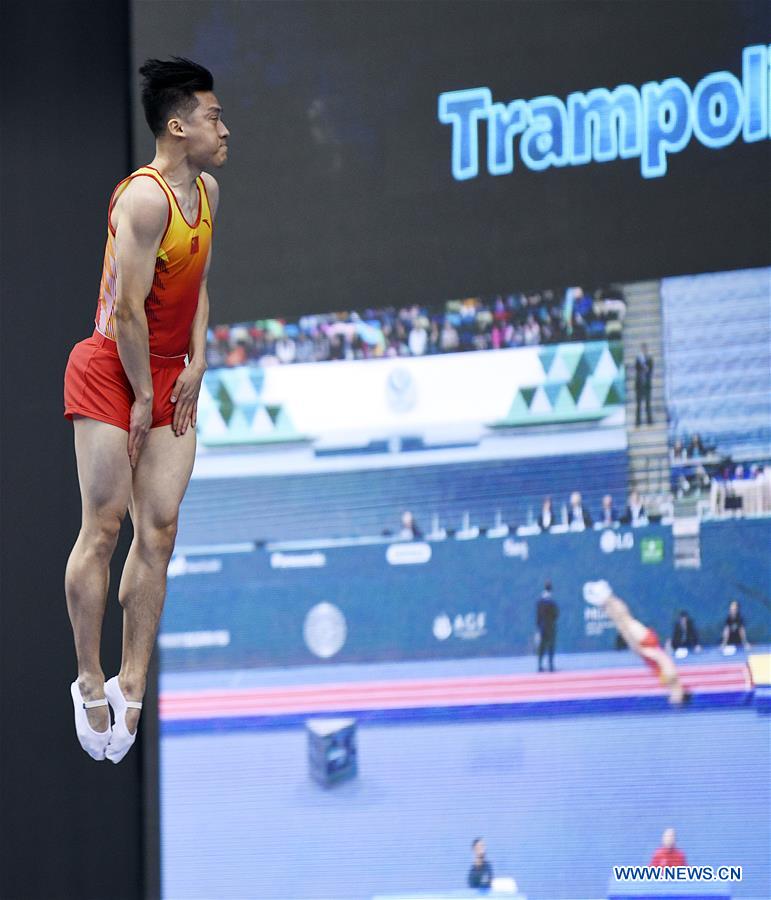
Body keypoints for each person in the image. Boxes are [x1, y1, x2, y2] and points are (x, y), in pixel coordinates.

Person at [63, 58, 229, 762]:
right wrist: (138, 397)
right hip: (111, 367)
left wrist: (198, 359)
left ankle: (134, 679)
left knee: (157, 532)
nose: (224, 128)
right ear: (177, 126)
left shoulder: (209, 192)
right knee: (103, 530)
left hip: (169, 376)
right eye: (213, 117)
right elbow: (127, 312)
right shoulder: (143, 199)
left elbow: (196, 292)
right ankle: (90, 678)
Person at [583, 580, 688, 704]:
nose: (671, 700)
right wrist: (643, 650)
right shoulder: (672, 679)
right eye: (675, 699)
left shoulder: (669, 683)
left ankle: (607, 599)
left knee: (622, 622)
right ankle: (607, 597)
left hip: (646, 644)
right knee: (625, 622)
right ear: (680, 695)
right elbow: (662, 658)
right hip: (647, 643)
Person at [536, 580, 559, 672]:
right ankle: (550, 665)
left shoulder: (540, 601)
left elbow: (538, 615)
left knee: (542, 646)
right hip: (550, 626)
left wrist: (538, 626)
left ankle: (540, 665)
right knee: (550, 645)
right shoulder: (551, 602)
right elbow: (556, 614)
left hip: (542, 626)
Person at [635, 343, 654, 426]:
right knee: (638, 404)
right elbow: (636, 368)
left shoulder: (649, 358)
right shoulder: (638, 359)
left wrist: (646, 369)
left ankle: (649, 420)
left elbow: (651, 369)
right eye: (643, 348)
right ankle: (638, 421)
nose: (644, 350)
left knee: (648, 403)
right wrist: (643, 368)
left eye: (645, 348)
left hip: (647, 384)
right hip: (639, 384)